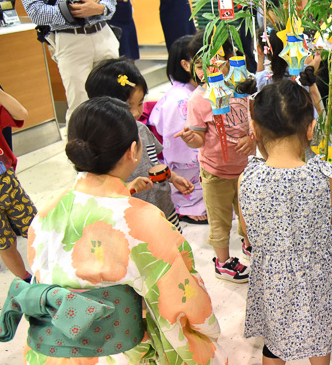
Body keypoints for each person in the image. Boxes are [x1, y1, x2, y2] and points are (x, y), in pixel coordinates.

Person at [0, 97, 228, 365]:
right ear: (134, 151)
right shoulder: (142, 220)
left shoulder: (46, 211)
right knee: (187, 328)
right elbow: (183, 305)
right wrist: (208, 338)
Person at [238, 80, 332, 365]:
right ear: (310, 129)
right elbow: (330, 217)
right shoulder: (321, 172)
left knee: (274, 336)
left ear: (255, 129)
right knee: (317, 329)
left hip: (272, 274)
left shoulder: (247, 177)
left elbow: (247, 230)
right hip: (316, 268)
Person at [15, 0, 120, 121]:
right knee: (81, 105)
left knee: (117, 97)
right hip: (70, 40)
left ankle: (119, 139)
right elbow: (35, 11)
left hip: (103, 33)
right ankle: (81, 141)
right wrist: (73, 11)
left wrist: (99, 8)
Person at [175, 32, 254, 283]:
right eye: (200, 65)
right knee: (220, 220)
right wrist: (191, 139)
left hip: (245, 169)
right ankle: (223, 262)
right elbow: (198, 138)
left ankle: (249, 243)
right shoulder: (198, 99)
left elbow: (255, 120)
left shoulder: (242, 87)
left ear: (230, 59)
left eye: (216, 61)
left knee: (249, 212)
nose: (208, 69)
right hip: (215, 172)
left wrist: (252, 138)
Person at [85, 58, 194, 231]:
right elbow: (100, 190)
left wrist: (173, 177)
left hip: (164, 209)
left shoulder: (141, 129)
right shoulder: (102, 146)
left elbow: (153, 163)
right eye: (128, 107)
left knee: (175, 243)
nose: (136, 113)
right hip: (133, 221)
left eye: (140, 103)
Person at [148, 35, 207, 224]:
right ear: (185, 64)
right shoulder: (180, 99)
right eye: (202, 60)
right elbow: (180, 145)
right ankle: (189, 206)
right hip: (185, 165)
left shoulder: (190, 91)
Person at [0, 70, 35, 280]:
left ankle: (48, 272)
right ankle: (25, 281)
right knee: (5, 244)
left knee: (35, 231)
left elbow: (21, 114)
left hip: (8, 184)